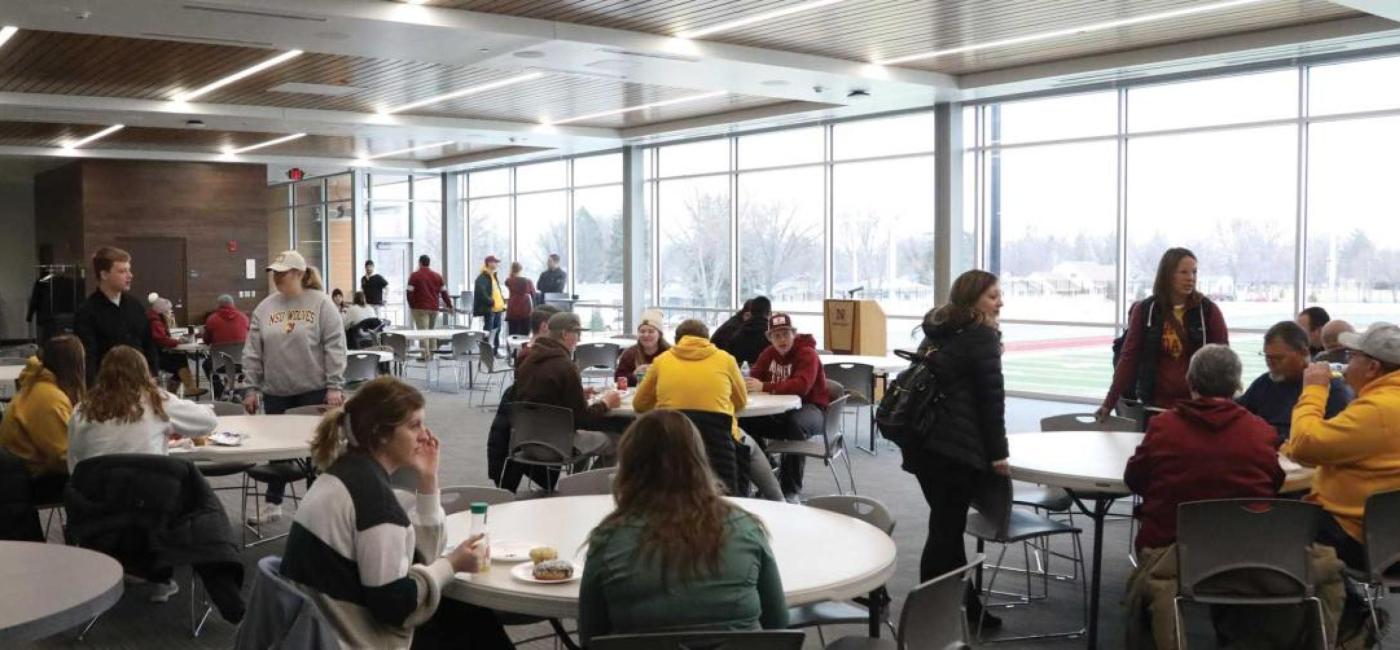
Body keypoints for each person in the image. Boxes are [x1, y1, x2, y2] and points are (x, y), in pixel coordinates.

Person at [1123, 344, 1333, 650]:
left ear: (1190, 381)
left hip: (1175, 552)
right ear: (1236, 385)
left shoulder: (1164, 427)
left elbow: (1136, 480)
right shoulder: (1259, 432)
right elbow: (1273, 486)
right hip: (1251, 556)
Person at [279, 377, 512, 649]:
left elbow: (423, 558)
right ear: (381, 433)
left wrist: (428, 480)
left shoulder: (346, 473)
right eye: (414, 425)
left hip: (321, 627)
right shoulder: (374, 503)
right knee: (474, 622)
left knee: (467, 616)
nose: (425, 435)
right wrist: (452, 565)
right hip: (351, 637)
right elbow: (396, 609)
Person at [578, 410, 787, 645]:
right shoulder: (745, 528)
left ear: (627, 466)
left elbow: (590, 637)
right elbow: (778, 626)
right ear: (700, 461)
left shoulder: (609, 539)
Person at [902, 269, 1008, 629]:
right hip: (954, 449)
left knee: (944, 527)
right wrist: (998, 454)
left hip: (922, 442)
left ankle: (963, 606)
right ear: (973, 298)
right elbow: (991, 402)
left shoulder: (937, 331)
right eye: (993, 296)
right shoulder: (981, 337)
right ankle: (932, 611)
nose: (1000, 302)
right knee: (945, 530)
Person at [1284, 322, 1400, 571]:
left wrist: (1314, 390)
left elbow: (1305, 445)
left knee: (1267, 528)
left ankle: (1338, 603)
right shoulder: (1382, 404)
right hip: (1388, 538)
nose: (1347, 362)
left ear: (1372, 367)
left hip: (1357, 537)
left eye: (1352, 356)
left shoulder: (1377, 410)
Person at [242, 250, 348, 524]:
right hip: (276, 390)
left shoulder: (322, 304)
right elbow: (253, 350)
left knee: (315, 452)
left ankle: (316, 509)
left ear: (300, 273)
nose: (277, 277)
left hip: (313, 390)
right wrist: (251, 388)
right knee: (277, 453)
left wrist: (334, 385)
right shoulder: (265, 307)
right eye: (274, 273)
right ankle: (273, 504)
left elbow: (335, 347)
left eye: (283, 273)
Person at [632, 319, 783, 501]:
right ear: (707, 339)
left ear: (677, 339)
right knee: (751, 447)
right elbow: (741, 402)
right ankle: (779, 501)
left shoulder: (661, 361)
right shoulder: (726, 359)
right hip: (719, 441)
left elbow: (639, 404)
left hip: (672, 440)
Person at [1098, 248, 1228, 421]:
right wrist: (1109, 402)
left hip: (1197, 407)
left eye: (1194, 272)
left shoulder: (1208, 311)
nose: (1191, 278)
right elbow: (1129, 357)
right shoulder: (1145, 310)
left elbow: (1225, 361)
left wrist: (1224, 406)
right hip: (1155, 407)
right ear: (1168, 275)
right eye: (1184, 272)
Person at [742, 312, 828, 500]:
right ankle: (768, 473)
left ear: (794, 334)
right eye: (776, 335)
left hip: (811, 409)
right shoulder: (768, 354)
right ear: (770, 338)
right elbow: (754, 376)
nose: (782, 340)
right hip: (782, 411)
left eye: (786, 334)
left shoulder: (807, 354)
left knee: (795, 426)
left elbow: (801, 387)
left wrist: (765, 386)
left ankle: (791, 489)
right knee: (745, 424)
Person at [512, 312, 622, 451]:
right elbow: (583, 419)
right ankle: (591, 474)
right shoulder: (565, 366)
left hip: (526, 441)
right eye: (577, 333)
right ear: (565, 334)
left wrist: (578, 392)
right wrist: (606, 403)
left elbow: (544, 397)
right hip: (557, 444)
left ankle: (580, 472)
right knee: (619, 441)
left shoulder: (529, 359)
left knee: (588, 441)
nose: (579, 338)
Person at [1237, 321, 1350, 445]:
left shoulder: (1330, 388)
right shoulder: (1264, 383)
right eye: (1267, 357)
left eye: (1279, 358)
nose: (1270, 363)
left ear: (1304, 353)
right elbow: (1238, 415)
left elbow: (1331, 440)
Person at [0, 335, 84, 484]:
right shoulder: (50, 398)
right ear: (74, 366)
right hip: (34, 478)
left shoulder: (37, 386)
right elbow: (63, 457)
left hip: (19, 474)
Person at [75, 246, 158, 383]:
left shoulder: (135, 306)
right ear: (104, 275)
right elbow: (89, 358)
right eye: (122, 271)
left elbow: (149, 345)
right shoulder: (87, 311)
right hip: (109, 386)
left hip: (141, 382)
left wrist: (153, 375)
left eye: (129, 270)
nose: (130, 275)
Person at [148, 296, 205, 397]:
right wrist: (177, 342)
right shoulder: (155, 322)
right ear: (162, 311)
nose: (170, 312)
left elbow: (164, 336)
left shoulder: (154, 319)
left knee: (179, 361)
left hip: (155, 353)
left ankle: (172, 393)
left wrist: (176, 340)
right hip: (154, 357)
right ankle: (187, 388)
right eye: (168, 310)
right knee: (180, 360)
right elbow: (161, 339)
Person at [407, 255, 454, 362]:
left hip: (419, 307)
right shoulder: (438, 276)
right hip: (434, 308)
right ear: (429, 263)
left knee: (423, 332)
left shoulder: (414, 276)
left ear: (420, 263)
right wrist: (449, 305)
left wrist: (411, 305)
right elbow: (444, 292)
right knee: (432, 332)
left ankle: (425, 355)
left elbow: (409, 292)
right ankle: (433, 354)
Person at [615, 309, 670, 382]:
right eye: (642, 331)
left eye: (651, 331)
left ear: (659, 334)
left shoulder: (670, 353)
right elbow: (618, 378)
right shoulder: (630, 354)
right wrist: (634, 375)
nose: (646, 335)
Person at [719, 296, 772, 366]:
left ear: (751, 312)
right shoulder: (771, 336)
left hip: (737, 372)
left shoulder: (737, 332)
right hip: (762, 375)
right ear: (769, 313)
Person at [473, 256, 506, 352]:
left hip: (498, 308)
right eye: (495, 262)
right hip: (490, 309)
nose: (496, 264)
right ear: (489, 263)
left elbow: (496, 291)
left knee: (497, 330)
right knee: (488, 331)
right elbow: (481, 292)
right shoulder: (483, 277)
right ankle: (486, 351)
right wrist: (491, 301)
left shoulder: (493, 276)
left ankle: (495, 351)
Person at [503, 261, 535, 337]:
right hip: (525, 311)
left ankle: (512, 348)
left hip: (512, 311)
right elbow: (533, 294)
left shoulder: (508, 281)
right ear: (521, 270)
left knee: (512, 334)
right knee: (524, 335)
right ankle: (523, 348)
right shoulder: (528, 282)